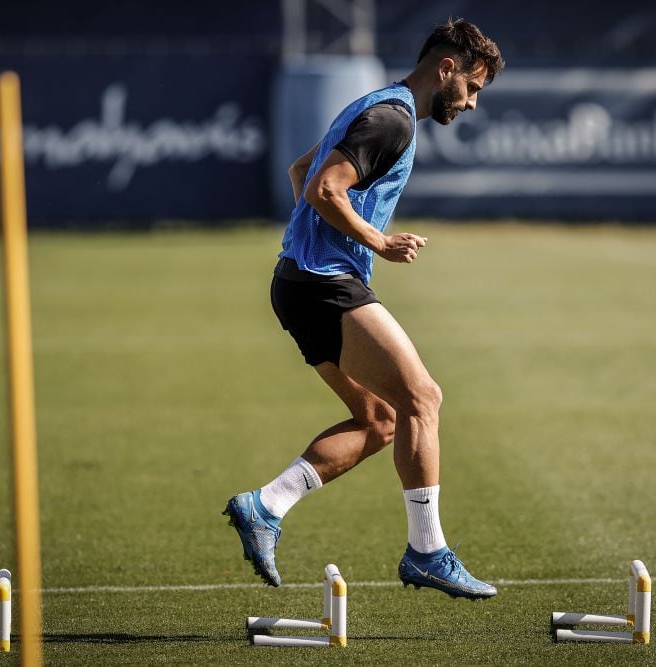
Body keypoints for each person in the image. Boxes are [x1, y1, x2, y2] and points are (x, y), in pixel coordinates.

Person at [224, 18, 504, 600]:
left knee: (380, 420)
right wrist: (379, 242)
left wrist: (323, 244)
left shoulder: (376, 104)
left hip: (300, 280)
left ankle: (265, 506)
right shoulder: (394, 120)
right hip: (324, 283)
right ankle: (428, 552)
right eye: (472, 88)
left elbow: (302, 171)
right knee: (424, 398)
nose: (473, 103)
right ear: (445, 69)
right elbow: (324, 188)